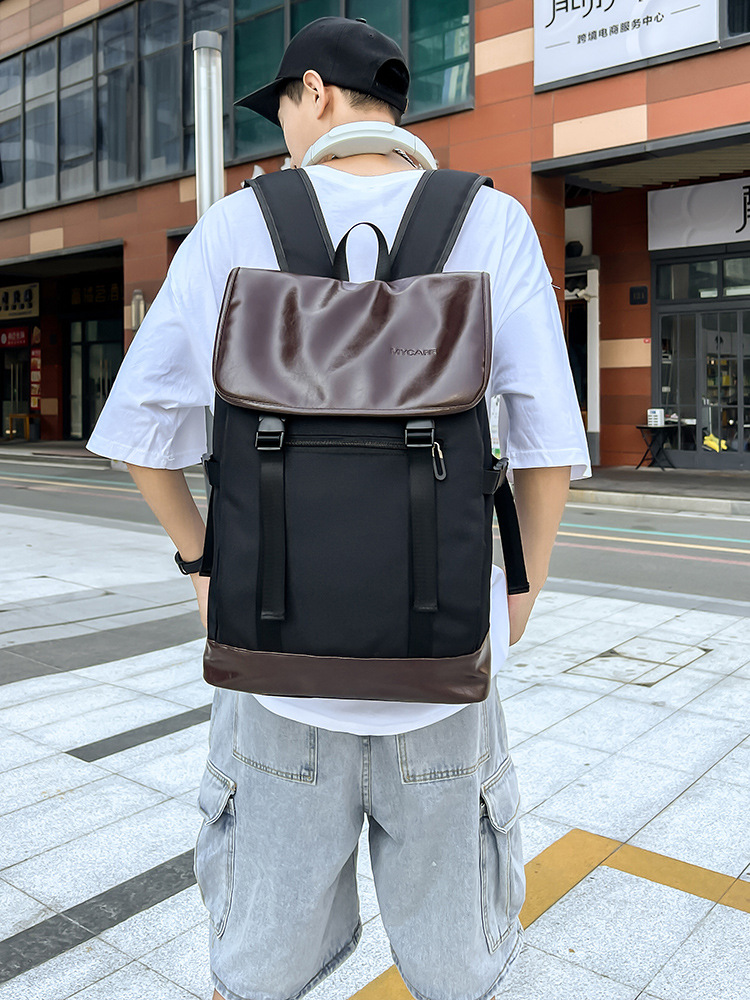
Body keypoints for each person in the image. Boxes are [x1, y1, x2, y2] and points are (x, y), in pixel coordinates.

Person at [87, 16, 591, 1000]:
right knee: (459, 966)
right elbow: (547, 441)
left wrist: (203, 564)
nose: (280, 132)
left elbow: (141, 434)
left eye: (280, 107)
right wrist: (520, 588)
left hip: (274, 675)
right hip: (444, 670)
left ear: (314, 93)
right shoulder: (491, 221)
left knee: (257, 963)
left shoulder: (236, 225)